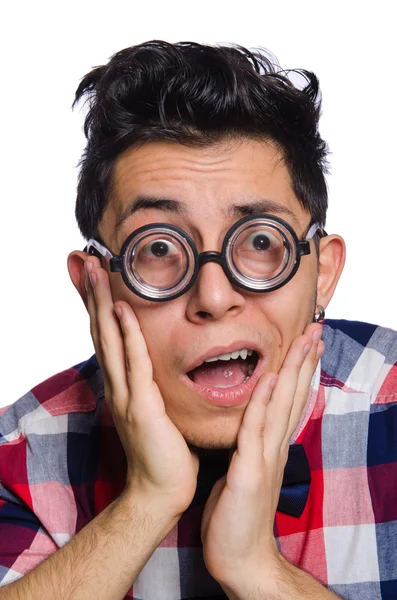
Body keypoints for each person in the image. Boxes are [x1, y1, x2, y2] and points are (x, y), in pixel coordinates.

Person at [0, 40, 396, 600]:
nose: (213, 296)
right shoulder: (18, 457)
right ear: (94, 283)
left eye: (261, 242)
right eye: (158, 249)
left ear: (323, 273)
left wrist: (258, 571)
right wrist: (146, 502)